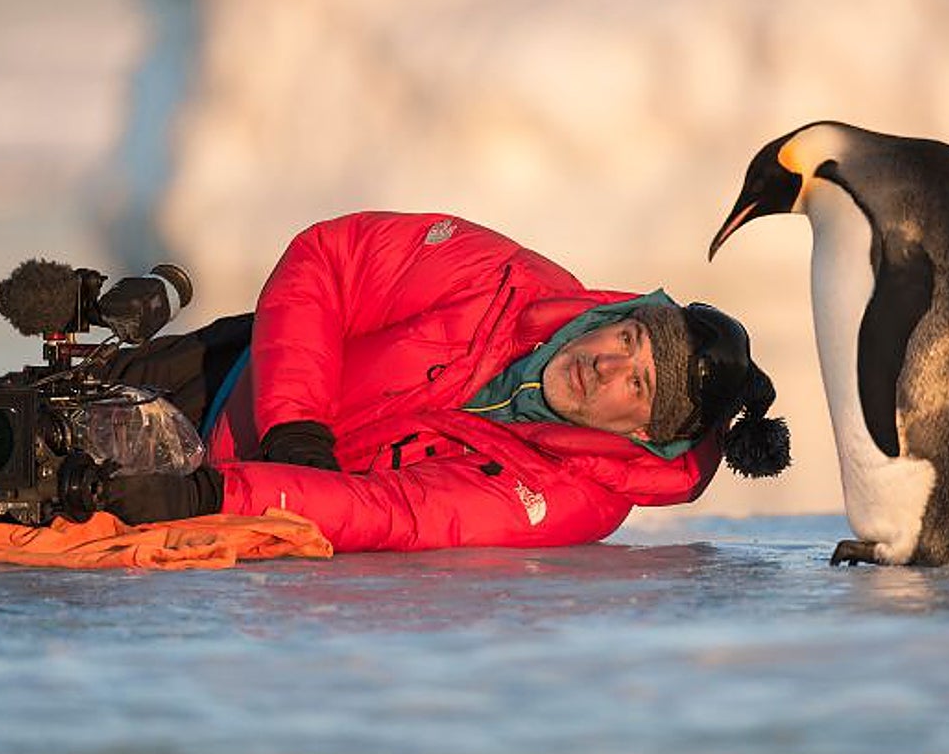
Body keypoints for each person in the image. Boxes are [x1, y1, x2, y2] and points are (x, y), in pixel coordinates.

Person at [75, 211, 790, 551]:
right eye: (627, 339)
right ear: (620, 316)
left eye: (635, 386)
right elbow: (331, 258)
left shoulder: (572, 502)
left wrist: (214, 494)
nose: (604, 365)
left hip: (227, 503)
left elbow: (402, 512)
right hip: (221, 375)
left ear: (641, 434)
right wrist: (295, 423)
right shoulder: (504, 278)